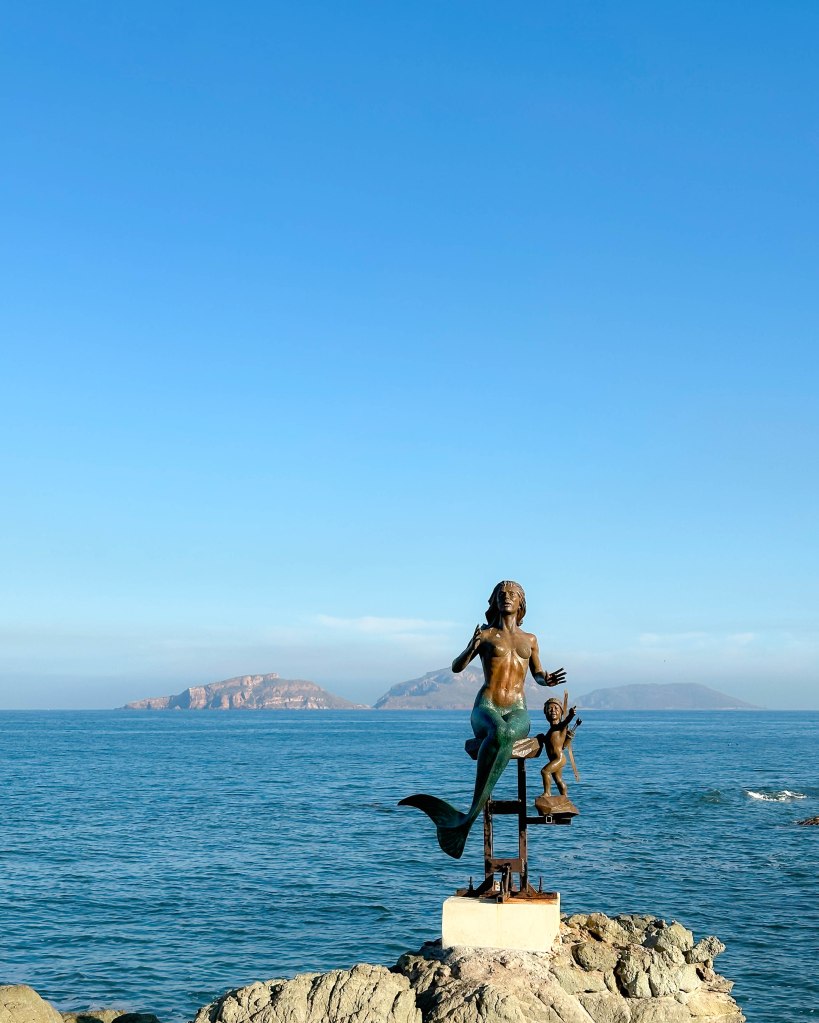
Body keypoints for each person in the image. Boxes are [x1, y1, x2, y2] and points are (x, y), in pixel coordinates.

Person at [399, 580, 566, 858]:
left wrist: (545, 679)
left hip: (518, 708)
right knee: (500, 733)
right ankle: (471, 814)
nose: (506, 598)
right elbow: (456, 667)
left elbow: (536, 673)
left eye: (512, 594)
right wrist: (470, 647)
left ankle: (466, 818)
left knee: (506, 732)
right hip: (486, 706)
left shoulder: (531, 640)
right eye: (501, 594)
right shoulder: (486, 635)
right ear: (494, 601)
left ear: (521, 602)